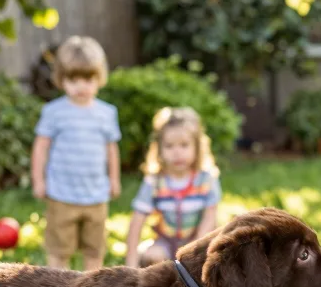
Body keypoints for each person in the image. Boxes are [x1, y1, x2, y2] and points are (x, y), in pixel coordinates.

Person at [31, 36, 121, 270]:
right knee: (59, 252)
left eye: (88, 78)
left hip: (96, 195)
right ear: (61, 79)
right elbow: (41, 147)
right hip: (61, 194)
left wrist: (114, 179)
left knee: (94, 250)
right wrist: (39, 180)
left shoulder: (106, 113)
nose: (81, 86)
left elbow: (111, 149)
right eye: (73, 79)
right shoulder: (53, 112)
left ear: (99, 77)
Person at [125, 107, 222, 267]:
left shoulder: (206, 179)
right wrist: (130, 264)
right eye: (169, 146)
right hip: (165, 244)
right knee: (151, 256)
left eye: (184, 145)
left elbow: (210, 218)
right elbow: (137, 221)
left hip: (199, 241)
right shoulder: (155, 181)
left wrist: (195, 249)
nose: (177, 152)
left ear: (197, 147)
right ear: (159, 149)